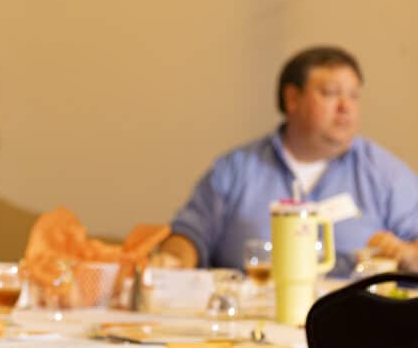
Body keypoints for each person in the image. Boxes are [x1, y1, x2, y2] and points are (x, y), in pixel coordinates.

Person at [158, 46, 418, 276]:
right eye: (330, 94)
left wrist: (407, 254)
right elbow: (190, 234)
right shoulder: (236, 168)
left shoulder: (385, 173)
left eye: (353, 96)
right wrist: (174, 261)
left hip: (351, 321)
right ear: (292, 99)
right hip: (249, 318)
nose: (346, 108)